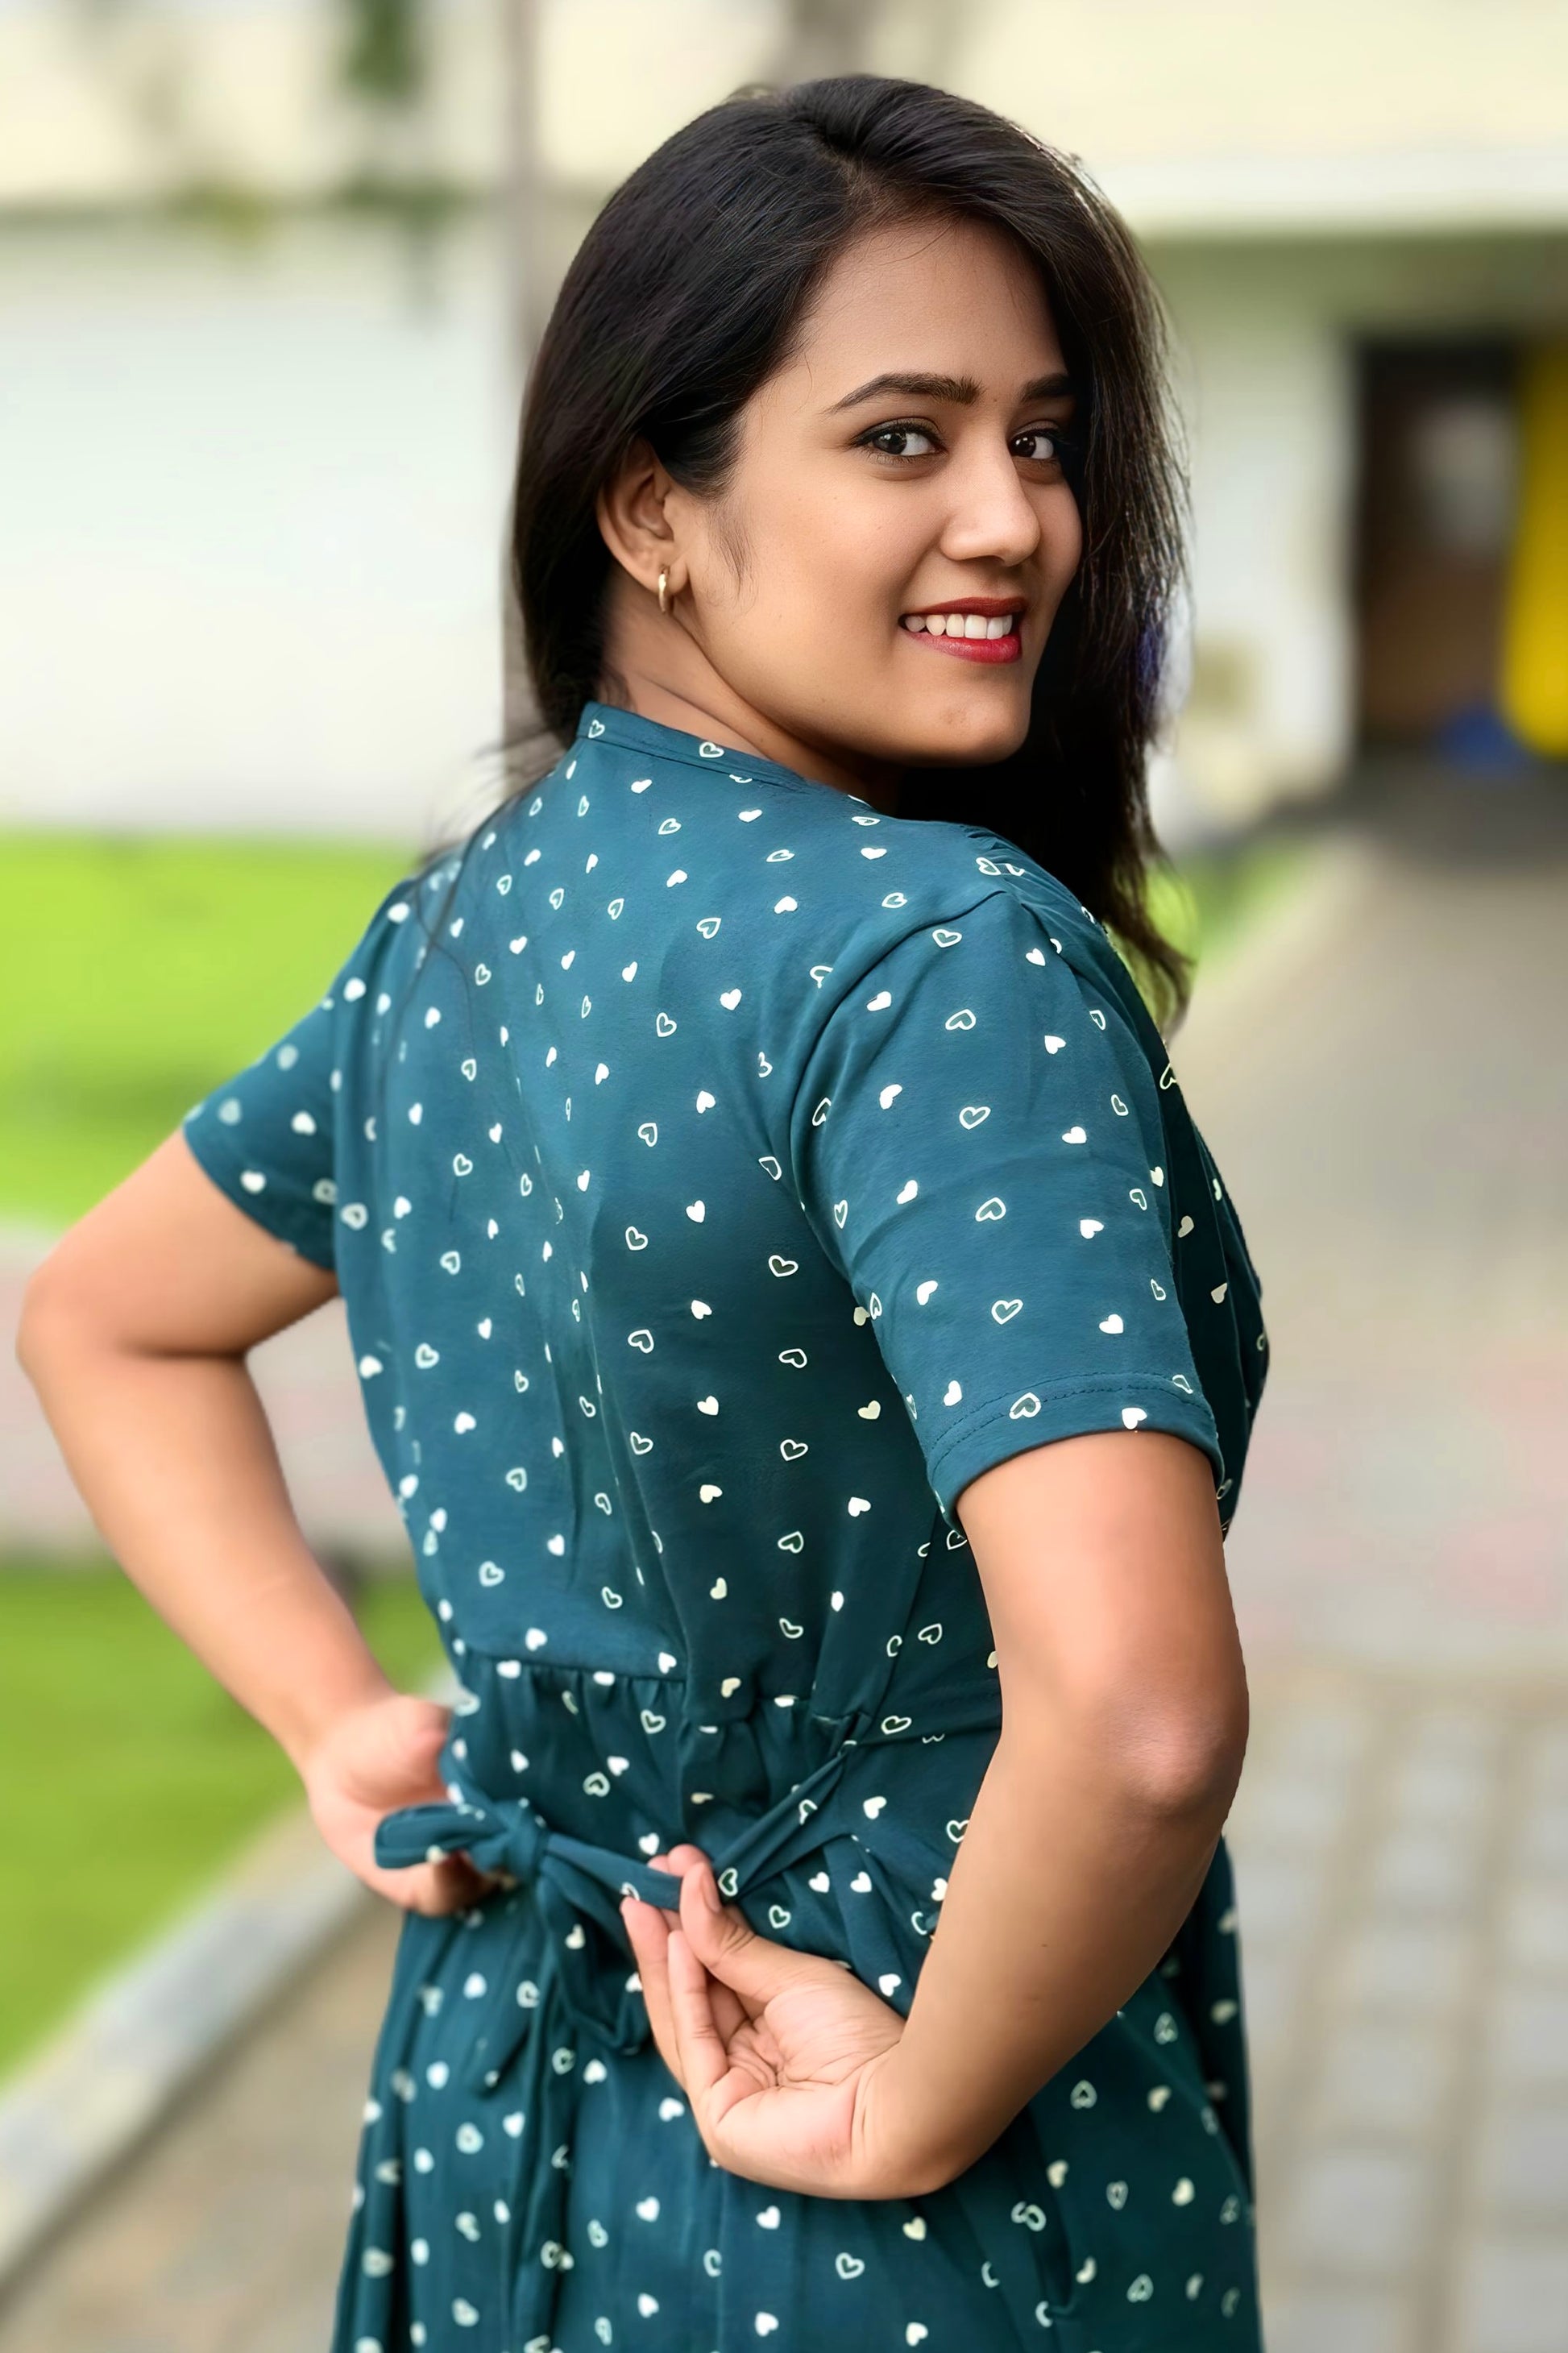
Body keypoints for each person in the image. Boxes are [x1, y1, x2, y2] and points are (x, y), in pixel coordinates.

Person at [19, 73, 1268, 2353]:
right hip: (868, 2087)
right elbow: (1137, 1719)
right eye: (902, 437)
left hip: (506, 2081)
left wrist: (333, 1722)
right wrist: (911, 2106)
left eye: (1045, 438)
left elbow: (105, 1316)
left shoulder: (463, 931)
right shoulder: (936, 963)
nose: (1015, 517)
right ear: (648, 508)